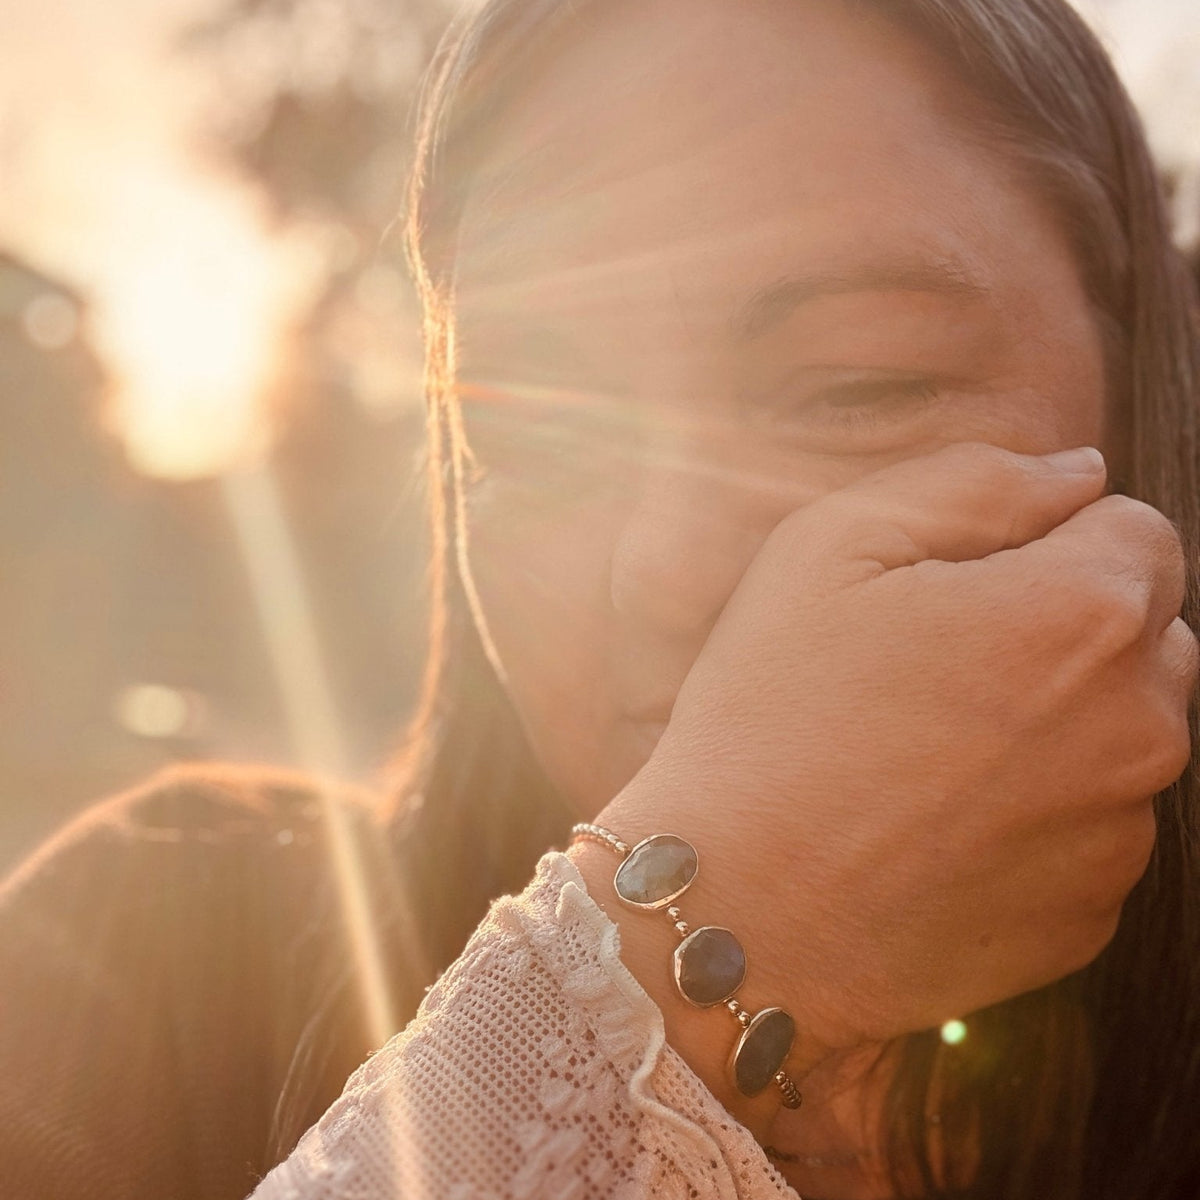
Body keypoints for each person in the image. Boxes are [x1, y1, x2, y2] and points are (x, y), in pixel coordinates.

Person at [3, 1, 1199, 1197]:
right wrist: (683, 965)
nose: (663, 568)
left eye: (858, 384)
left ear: (1139, 388)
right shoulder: (140, 954)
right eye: (541, 433)